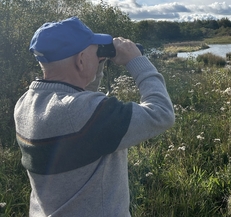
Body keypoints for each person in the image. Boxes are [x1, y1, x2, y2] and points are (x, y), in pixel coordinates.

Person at [14, 16, 175, 216]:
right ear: (81, 60)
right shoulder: (85, 112)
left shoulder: (24, 105)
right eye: (94, 50)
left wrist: (92, 69)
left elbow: (77, 105)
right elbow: (161, 113)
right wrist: (137, 61)